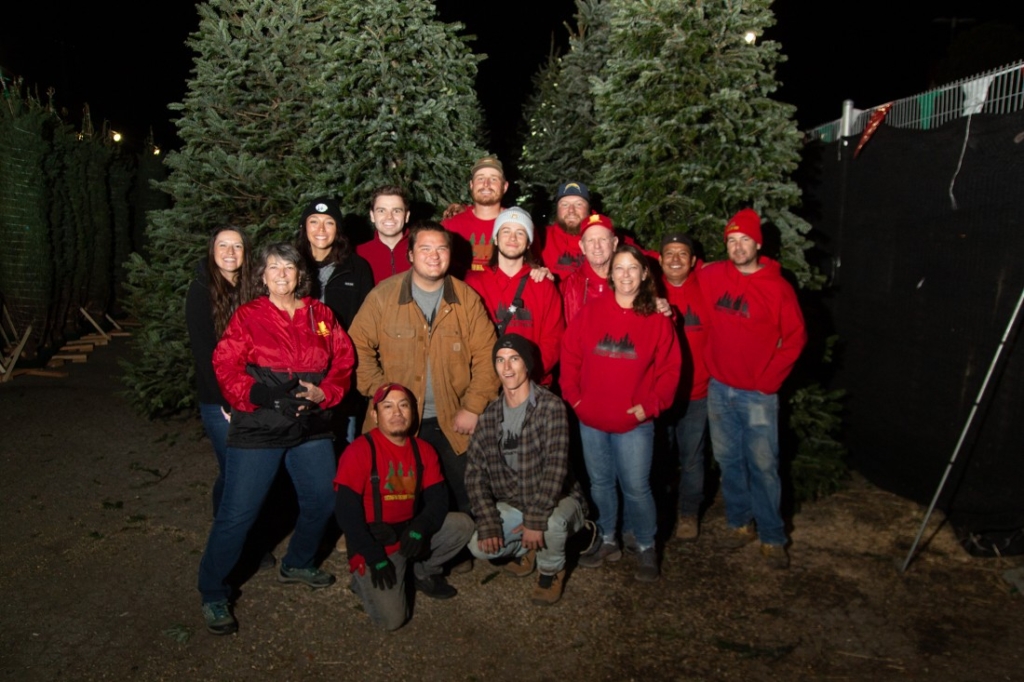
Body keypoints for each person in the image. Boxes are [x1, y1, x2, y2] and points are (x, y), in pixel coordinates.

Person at [198, 243, 355, 635]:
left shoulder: (320, 315)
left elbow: (344, 360)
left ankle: (298, 561)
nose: (282, 274)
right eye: (273, 268)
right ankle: (213, 590)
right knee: (239, 513)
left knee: (323, 498)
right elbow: (225, 363)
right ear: (263, 277)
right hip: (260, 424)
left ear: (300, 274)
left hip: (309, 423)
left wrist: (326, 393)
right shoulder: (249, 316)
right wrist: (262, 394)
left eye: (289, 267)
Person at [348, 221, 499, 516]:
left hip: (452, 419)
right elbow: (356, 348)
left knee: (465, 495)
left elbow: (487, 356)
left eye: (441, 248)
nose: (434, 255)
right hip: (397, 421)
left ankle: (456, 547)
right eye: (425, 248)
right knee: (396, 497)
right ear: (411, 255)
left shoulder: (466, 300)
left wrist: (473, 406)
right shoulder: (383, 296)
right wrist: (383, 396)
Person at [561, 244, 681, 582]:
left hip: (634, 424)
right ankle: (608, 538)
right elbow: (570, 356)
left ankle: (645, 545)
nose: (625, 274)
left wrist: (651, 405)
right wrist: (576, 400)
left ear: (644, 274)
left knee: (636, 486)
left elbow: (671, 370)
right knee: (600, 483)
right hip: (592, 420)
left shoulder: (657, 319)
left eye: (632, 268)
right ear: (610, 274)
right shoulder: (592, 311)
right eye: (619, 268)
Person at [700, 209, 806, 569]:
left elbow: (795, 338)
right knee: (729, 461)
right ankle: (739, 522)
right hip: (719, 389)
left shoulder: (778, 288)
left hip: (757, 394)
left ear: (758, 243)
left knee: (763, 465)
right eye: (732, 240)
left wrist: (768, 380)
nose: (738, 246)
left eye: (745, 239)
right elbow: (675, 275)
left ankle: (773, 536)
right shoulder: (713, 275)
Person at [334, 383, 474, 630]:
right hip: (377, 544)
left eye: (403, 405)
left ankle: (422, 571)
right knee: (392, 621)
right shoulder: (360, 451)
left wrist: (420, 527)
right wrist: (373, 555)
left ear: (413, 412)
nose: (397, 412)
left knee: (462, 525)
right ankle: (361, 578)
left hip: (409, 535)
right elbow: (346, 513)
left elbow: (438, 500)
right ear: (375, 415)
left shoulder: (423, 450)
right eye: (387, 406)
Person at [465, 334, 587, 605]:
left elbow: (556, 469)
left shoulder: (550, 407)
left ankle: (551, 569)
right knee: (478, 545)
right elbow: (474, 474)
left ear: (527, 365)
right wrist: (487, 521)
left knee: (552, 523)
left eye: (514, 359)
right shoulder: (489, 417)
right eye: (500, 360)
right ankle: (532, 546)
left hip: (558, 500)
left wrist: (534, 520)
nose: (507, 368)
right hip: (517, 500)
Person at [185, 227, 255, 519]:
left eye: (236, 246)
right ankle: (227, 536)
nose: (230, 253)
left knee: (250, 472)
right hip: (219, 400)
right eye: (223, 246)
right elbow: (204, 353)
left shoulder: (252, 288)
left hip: (252, 393)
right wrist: (228, 398)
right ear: (212, 251)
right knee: (234, 471)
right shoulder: (200, 291)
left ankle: (244, 536)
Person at [297, 196, 374, 446]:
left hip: (342, 369)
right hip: (300, 366)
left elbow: (365, 320)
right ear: (304, 227)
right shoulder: (290, 265)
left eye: (329, 222)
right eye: (314, 221)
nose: (321, 229)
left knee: (345, 441)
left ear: (338, 229)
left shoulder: (357, 267)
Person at [465, 208, 564, 385]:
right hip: (486, 384)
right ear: (496, 238)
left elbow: (554, 340)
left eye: (520, 232)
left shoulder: (543, 286)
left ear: (528, 243)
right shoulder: (473, 283)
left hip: (532, 383)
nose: (512, 238)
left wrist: (526, 375)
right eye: (506, 231)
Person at [658, 233, 711, 542]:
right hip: (662, 394)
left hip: (697, 393)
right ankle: (662, 509)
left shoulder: (707, 287)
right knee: (660, 457)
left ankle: (689, 513)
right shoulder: (649, 290)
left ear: (693, 261)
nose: (675, 259)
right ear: (660, 259)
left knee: (692, 459)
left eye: (682, 253)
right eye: (669, 253)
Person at [442, 155, 508, 277]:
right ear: (471, 185)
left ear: (505, 187)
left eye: (493, 179)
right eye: (480, 178)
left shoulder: (517, 225)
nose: (486, 184)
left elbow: (532, 267)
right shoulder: (451, 225)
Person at [559, 213, 617, 325]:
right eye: (590, 240)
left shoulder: (629, 281)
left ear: (614, 243)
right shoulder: (567, 288)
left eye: (603, 239)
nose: (597, 246)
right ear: (582, 246)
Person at [356, 185, 412, 285]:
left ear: (406, 216)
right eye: (381, 211)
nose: (389, 217)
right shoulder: (357, 255)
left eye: (396, 211)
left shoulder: (422, 251)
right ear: (372, 216)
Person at [540, 181, 590, 279]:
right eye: (565, 204)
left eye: (579, 204)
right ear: (557, 209)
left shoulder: (604, 236)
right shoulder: (542, 237)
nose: (571, 210)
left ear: (588, 208)